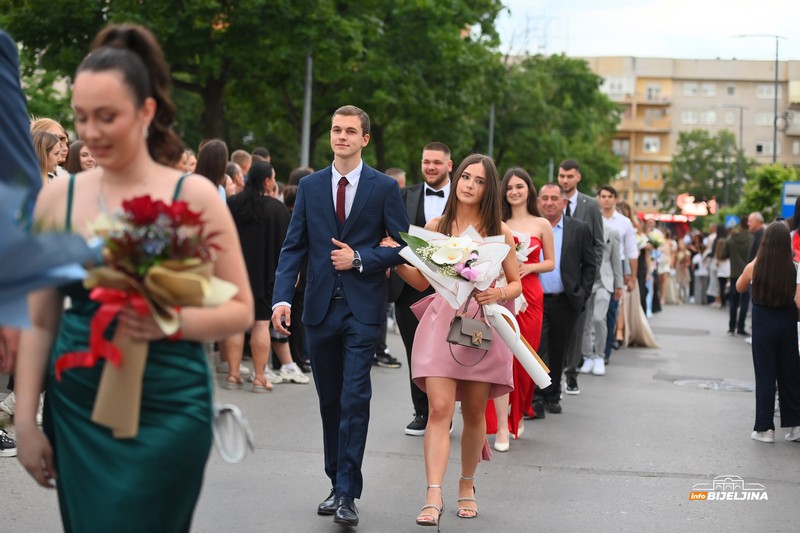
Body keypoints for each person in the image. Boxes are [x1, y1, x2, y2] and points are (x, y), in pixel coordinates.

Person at [13, 24, 253, 531]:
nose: (91, 132)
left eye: (107, 117)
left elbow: (239, 308)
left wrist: (170, 319)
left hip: (170, 400)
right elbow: (40, 317)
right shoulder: (58, 198)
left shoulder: (193, 195)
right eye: (81, 118)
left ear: (145, 111)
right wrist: (26, 420)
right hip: (78, 402)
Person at [271, 105, 408, 527]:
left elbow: (404, 246)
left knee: (354, 398)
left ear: (364, 139)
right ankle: (336, 482)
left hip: (362, 310)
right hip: (318, 309)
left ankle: (348, 492)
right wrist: (281, 299)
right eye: (336, 130)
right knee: (330, 400)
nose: (341, 136)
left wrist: (361, 258)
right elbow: (294, 246)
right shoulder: (310, 186)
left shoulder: (384, 187)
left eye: (350, 131)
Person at [387, 153, 521, 527]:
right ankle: (433, 493)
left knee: (475, 412)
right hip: (440, 323)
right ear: (456, 178)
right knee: (440, 409)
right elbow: (422, 281)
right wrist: (395, 259)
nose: (469, 185)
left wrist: (499, 293)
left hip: (479, 326)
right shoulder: (436, 226)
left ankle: (466, 484)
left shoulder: (500, 232)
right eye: (465, 177)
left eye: (479, 180)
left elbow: (516, 283)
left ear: (489, 189)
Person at [488, 167, 553, 450]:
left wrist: (530, 267)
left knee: (526, 358)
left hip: (532, 295)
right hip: (503, 293)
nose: (514, 192)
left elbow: (551, 262)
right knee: (502, 358)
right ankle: (502, 424)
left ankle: (520, 409)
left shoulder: (542, 224)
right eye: (509, 187)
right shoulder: (496, 222)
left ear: (529, 190)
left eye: (520, 187)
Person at [393, 142, 453, 436]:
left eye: (437, 162)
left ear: (449, 165)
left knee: (447, 352)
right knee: (415, 351)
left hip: (451, 288)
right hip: (409, 287)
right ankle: (422, 411)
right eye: (426, 161)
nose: (430, 167)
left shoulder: (465, 196)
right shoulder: (404, 195)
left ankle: (444, 410)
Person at [224, 161, 301, 391]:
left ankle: (233, 375)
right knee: (261, 325)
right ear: (267, 182)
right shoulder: (276, 210)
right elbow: (287, 246)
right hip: (267, 276)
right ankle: (259, 377)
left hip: (235, 273)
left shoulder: (232, 204)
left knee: (236, 325)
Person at [533, 182, 597, 415]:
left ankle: (553, 395)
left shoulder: (579, 229)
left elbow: (590, 265)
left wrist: (582, 294)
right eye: (545, 198)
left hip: (565, 299)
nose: (549, 203)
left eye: (554, 198)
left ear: (563, 202)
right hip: (536, 299)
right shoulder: (532, 227)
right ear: (538, 202)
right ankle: (537, 396)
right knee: (539, 348)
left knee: (559, 349)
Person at [735, 222, 800, 443]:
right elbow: (798, 302)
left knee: (765, 375)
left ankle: (765, 429)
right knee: (789, 374)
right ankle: (796, 426)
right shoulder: (795, 267)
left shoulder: (754, 267)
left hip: (763, 325)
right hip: (787, 323)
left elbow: (739, 287)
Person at [557, 160, 602, 395]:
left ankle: (572, 374)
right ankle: (552, 378)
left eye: (569, 176)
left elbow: (597, 244)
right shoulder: (551, 201)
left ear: (578, 178)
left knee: (576, 330)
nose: (565, 180)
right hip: (553, 279)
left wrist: (588, 281)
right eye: (561, 176)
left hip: (579, 283)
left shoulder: (591, 205)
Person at [596, 185, 638, 363]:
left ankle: (605, 351)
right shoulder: (594, 218)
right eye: (603, 196)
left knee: (610, 311)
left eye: (609, 196)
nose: (606, 199)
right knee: (592, 313)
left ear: (615, 199)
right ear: (598, 198)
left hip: (616, 267)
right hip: (596, 265)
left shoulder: (624, 222)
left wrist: (632, 276)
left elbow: (631, 250)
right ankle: (590, 351)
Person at [580, 220, 624, 376]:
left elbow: (616, 260)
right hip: (586, 280)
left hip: (605, 281)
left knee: (599, 318)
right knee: (584, 321)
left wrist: (619, 285)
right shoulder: (582, 229)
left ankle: (599, 355)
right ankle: (587, 356)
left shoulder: (612, 232)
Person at [721, 217, 752, 336]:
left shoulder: (731, 238)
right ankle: (740, 327)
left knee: (733, 300)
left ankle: (731, 326)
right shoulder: (751, 238)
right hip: (747, 273)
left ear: (740, 225)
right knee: (744, 301)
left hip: (734, 273)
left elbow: (723, 254)